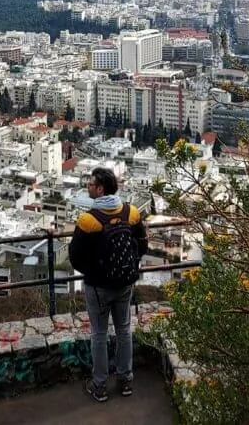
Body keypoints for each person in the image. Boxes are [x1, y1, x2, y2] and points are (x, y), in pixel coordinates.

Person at [68, 166, 148, 402]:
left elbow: (75, 256)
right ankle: (126, 381)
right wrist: (128, 265)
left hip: (98, 287)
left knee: (99, 333)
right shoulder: (131, 213)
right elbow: (142, 245)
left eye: (91, 184)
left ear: (100, 189)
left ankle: (100, 385)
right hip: (125, 283)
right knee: (123, 329)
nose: (88, 187)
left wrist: (94, 273)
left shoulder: (88, 220)